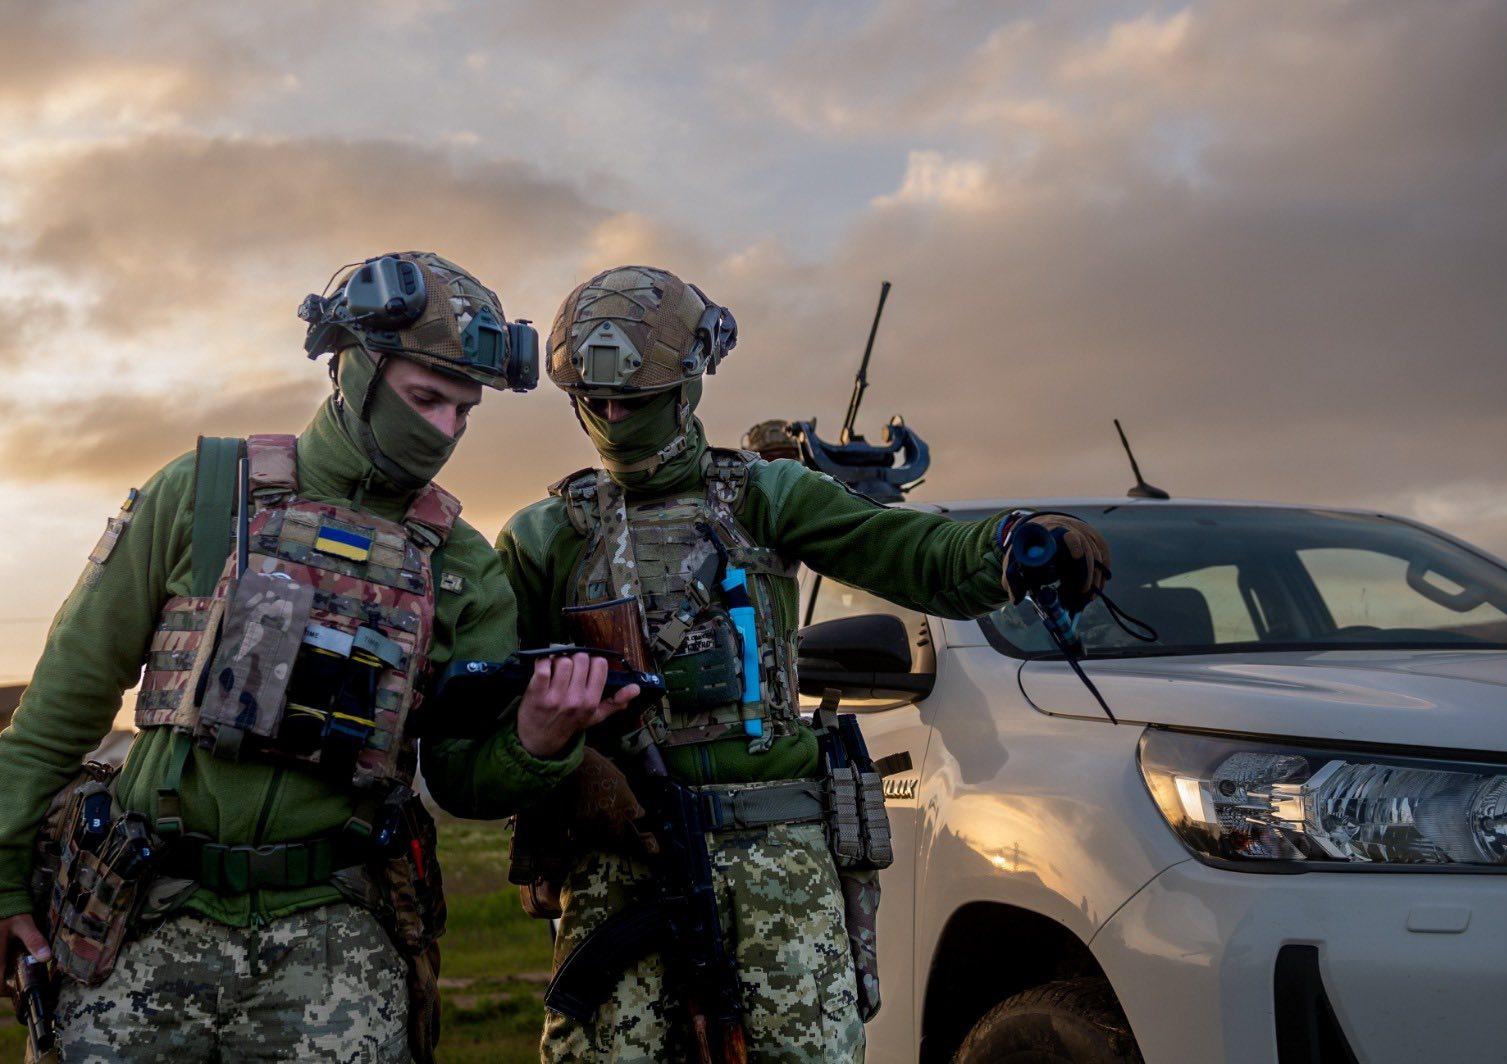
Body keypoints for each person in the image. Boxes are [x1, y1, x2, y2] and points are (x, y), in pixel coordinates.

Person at [0, 251, 633, 1062]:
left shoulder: (463, 565)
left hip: (334, 946)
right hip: (141, 922)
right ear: (355, 372)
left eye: (465, 412)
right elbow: (63, 704)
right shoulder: (203, 492)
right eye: (425, 399)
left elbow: (465, 779)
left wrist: (540, 742)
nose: (445, 432)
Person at [495, 264, 1108, 1062]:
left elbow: (904, 549)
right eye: (594, 402)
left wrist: (1008, 548)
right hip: (621, 859)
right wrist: (571, 775)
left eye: (633, 401)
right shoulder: (548, 536)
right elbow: (492, 705)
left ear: (688, 385)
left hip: (776, 859)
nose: (613, 418)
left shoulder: (764, 497)